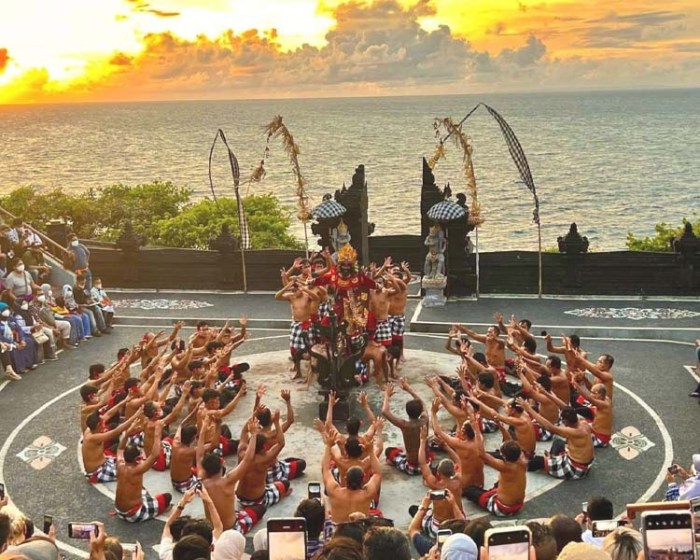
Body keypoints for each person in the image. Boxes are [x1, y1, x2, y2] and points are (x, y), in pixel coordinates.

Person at [321, 426, 383, 526]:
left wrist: (328, 445)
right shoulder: (368, 493)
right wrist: (371, 451)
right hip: (359, 533)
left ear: (345, 479)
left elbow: (325, 469)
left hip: (339, 534)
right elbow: (377, 473)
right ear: (363, 481)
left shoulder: (334, 491)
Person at [114, 420, 173, 522]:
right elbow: (154, 455)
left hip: (119, 510)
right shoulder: (137, 470)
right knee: (167, 497)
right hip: (133, 513)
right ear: (136, 459)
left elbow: (120, 448)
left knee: (142, 488)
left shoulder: (119, 464)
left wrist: (128, 433)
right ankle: (157, 509)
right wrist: (157, 432)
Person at [521, 400, 595, 480]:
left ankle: (546, 461)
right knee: (558, 442)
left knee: (536, 462)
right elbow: (567, 408)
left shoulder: (575, 432)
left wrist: (529, 409)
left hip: (575, 468)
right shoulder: (583, 421)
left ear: (565, 421)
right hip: (583, 463)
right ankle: (551, 458)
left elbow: (549, 427)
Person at [464, 440, 527, 517]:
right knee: (500, 481)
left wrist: (476, 430)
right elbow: (512, 445)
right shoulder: (523, 461)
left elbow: (481, 454)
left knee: (469, 490)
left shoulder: (504, 467)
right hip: (518, 505)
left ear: (504, 457)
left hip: (503, 509)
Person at [275, 278, 319, 380]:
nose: (295, 292)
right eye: (293, 290)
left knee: (309, 350)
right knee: (294, 350)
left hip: (306, 324)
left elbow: (316, 298)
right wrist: (286, 287)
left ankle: (311, 373)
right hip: (295, 325)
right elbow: (277, 296)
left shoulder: (307, 296)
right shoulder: (291, 297)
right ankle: (298, 371)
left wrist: (305, 289)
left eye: (296, 290)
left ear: (300, 288)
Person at [382, 379, 428, 475]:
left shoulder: (405, 425)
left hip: (412, 466)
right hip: (427, 462)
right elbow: (422, 404)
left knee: (389, 452)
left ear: (407, 412)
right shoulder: (425, 420)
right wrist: (409, 389)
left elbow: (385, 412)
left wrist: (387, 395)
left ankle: (395, 463)